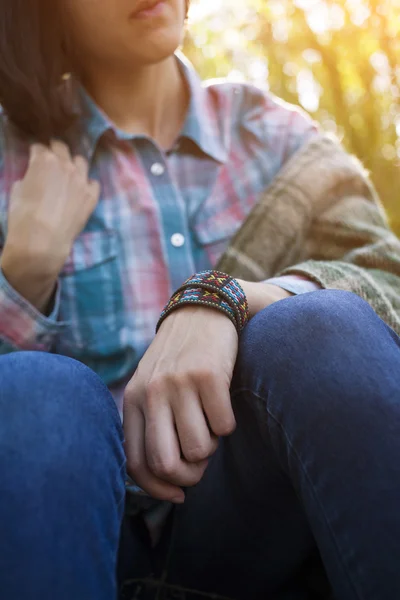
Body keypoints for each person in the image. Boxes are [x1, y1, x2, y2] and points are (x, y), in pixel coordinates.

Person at [0, 0, 400, 599]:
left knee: (324, 324)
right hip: (69, 536)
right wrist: (22, 278)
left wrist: (222, 301)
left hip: (253, 525)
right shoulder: (12, 161)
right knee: (40, 394)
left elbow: (386, 280)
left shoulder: (278, 139)